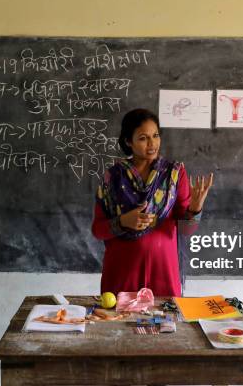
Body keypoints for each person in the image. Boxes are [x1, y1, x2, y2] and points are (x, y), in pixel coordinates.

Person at [91, 108, 213, 297]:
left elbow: (186, 231)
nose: (152, 143)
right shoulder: (113, 177)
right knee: (117, 325)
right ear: (127, 141)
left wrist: (195, 209)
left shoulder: (174, 173)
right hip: (121, 274)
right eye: (143, 138)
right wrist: (124, 221)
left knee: (167, 324)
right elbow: (98, 230)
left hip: (163, 273)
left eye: (155, 136)